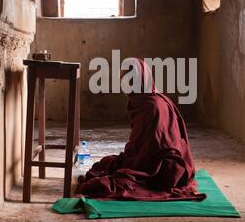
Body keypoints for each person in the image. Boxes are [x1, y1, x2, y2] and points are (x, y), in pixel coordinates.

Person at [76, 58, 205, 201]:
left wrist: (129, 161)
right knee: (105, 164)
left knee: (104, 184)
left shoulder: (151, 106)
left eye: (127, 78)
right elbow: (140, 145)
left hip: (163, 167)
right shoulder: (141, 100)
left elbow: (151, 149)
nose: (122, 82)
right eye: (122, 78)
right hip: (146, 157)